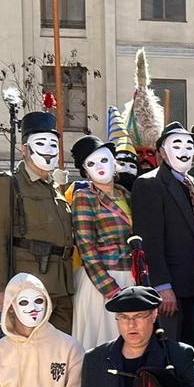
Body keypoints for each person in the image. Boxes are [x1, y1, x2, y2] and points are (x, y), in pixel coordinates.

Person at [0, 108, 75, 334]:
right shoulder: (9, 184)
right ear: (24, 148)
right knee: (31, 350)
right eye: (41, 143)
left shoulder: (54, 187)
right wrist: (2, 288)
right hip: (30, 285)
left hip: (62, 285)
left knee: (60, 352)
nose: (48, 151)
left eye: (54, 145)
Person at [130, 122, 194, 346]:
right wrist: (163, 287)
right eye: (177, 145)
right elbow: (149, 240)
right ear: (162, 153)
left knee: (192, 347)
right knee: (170, 346)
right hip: (172, 287)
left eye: (189, 146)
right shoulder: (149, 184)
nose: (184, 151)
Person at [69, 135, 134, 351]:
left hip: (132, 279)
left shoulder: (126, 194)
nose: (99, 167)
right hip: (103, 284)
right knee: (106, 346)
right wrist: (111, 291)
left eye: (104, 160)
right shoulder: (84, 196)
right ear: (85, 171)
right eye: (91, 163)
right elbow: (86, 248)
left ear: (114, 162)